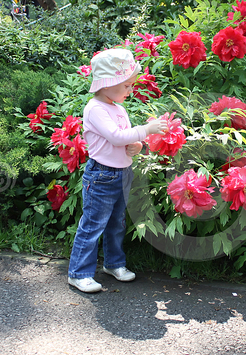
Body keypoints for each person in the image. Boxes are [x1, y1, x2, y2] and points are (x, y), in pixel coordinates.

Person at [68, 48, 167, 293]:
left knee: (117, 223)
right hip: (101, 176)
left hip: (122, 174)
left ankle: (114, 264)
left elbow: (124, 139)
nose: (130, 90)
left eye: (131, 85)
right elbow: (114, 136)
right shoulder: (95, 109)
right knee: (93, 224)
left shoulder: (118, 108)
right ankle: (78, 273)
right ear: (107, 83)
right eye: (127, 85)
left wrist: (136, 146)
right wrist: (147, 129)